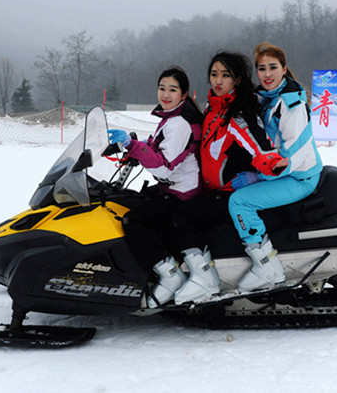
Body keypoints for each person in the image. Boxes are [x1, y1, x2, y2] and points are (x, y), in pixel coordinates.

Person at [167, 51, 282, 307]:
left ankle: (204, 278)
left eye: (225, 75)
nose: (218, 81)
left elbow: (260, 145)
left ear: (237, 80)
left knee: (184, 216)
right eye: (214, 74)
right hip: (213, 189)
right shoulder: (213, 109)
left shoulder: (238, 113)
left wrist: (267, 168)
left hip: (232, 192)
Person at [227, 42, 323, 293]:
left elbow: (292, 154)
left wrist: (258, 176)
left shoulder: (291, 104)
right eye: (261, 68)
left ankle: (266, 265)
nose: (267, 74)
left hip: (299, 176)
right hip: (285, 172)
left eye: (273, 67)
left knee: (239, 202)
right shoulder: (267, 97)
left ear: (284, 69)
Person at [107, 66, 204, 307]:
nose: (166, 94)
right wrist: (134, 147)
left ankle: (170, 275)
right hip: (170, 187)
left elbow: (164, 166)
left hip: (182, 193)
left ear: (184, 95)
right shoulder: (170, 118)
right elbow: (157, 148)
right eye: (162, 88)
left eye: (173, 89)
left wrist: (133, 146)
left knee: (135, 221)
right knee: (127, 201)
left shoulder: (179, 123)